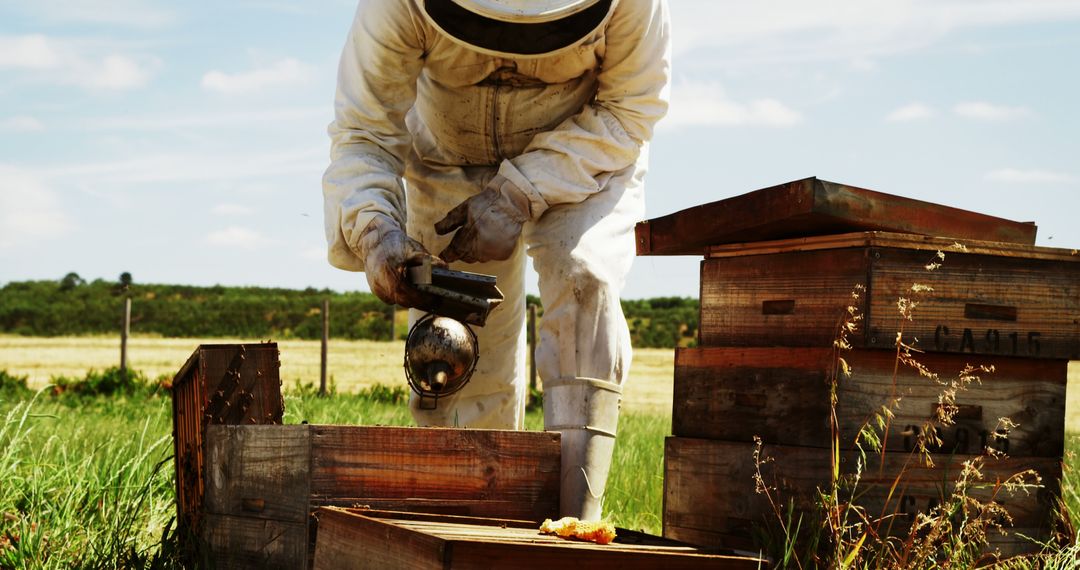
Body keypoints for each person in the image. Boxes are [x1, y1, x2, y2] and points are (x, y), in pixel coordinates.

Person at [322, 0, 670, 521]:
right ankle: (472, 525)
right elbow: (364, 132)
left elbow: (629, 109)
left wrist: (518, 192)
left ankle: (575, 525)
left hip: (588, 149)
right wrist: (374, 228)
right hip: (445, 154)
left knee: (585, 280)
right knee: (453, 342)